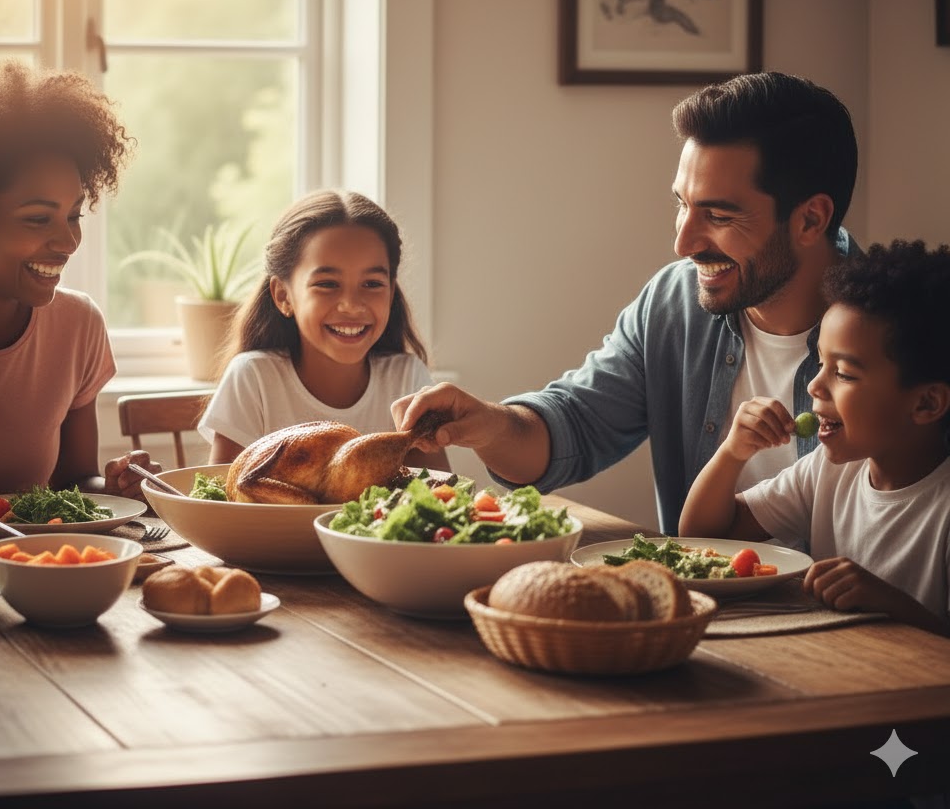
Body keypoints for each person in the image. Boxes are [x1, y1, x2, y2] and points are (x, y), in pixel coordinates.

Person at [393, 71, 860, 533]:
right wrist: (489, 425)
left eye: (717, 215)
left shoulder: (906, 332)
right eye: (682, 204)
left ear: (810, 219)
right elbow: (575, 424)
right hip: (698, 602)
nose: (683, 243)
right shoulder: (674, 301)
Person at [678, 240, 950, 636]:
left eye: (844, 374)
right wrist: (732, 453)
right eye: (821, 363)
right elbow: (703, 536)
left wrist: (890, 603)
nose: (816, 385)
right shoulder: (827, 472)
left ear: (926, 403)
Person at [0, 58, 159, 519]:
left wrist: (117, 487)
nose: (68, 241)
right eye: (37, 219)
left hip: (34, 573)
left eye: (73, 215)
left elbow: (74, 480)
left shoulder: (78, 325)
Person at [199, 190, 450, 470]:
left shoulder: (407, 379)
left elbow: (435, 495)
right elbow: (223, 500)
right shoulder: (253, 378)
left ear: (391, 292)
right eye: (327, 284)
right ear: (283, 296)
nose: (352, 306)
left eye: (372, 284)